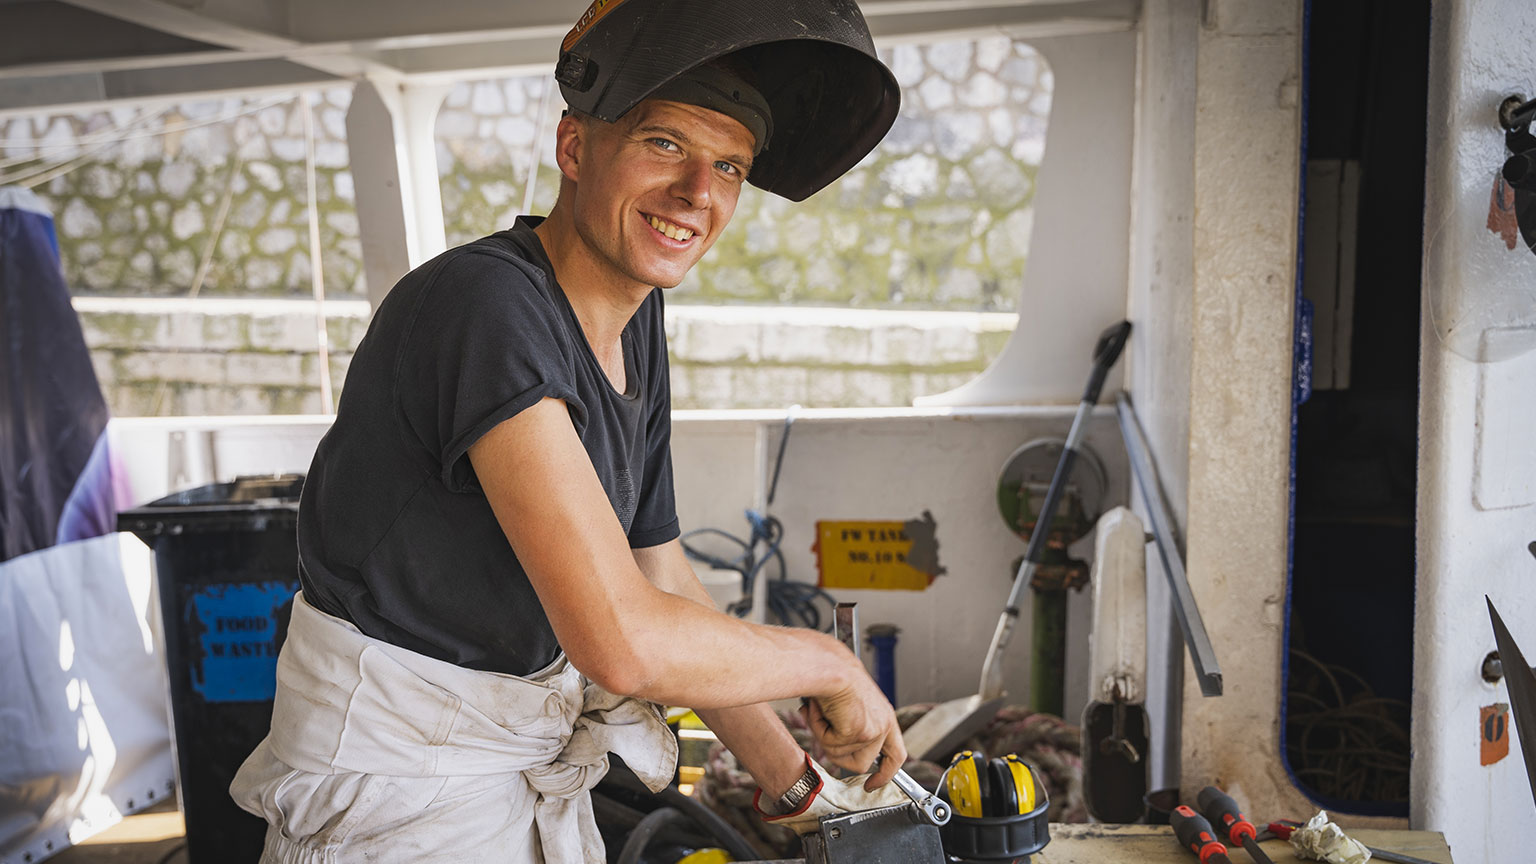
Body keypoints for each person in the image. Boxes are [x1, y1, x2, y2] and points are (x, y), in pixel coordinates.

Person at [230, 0, 906, 860]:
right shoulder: (485, 307)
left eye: (729, 167)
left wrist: (800, 785)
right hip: (399, 797)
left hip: (505, 767)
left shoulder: (634, 321)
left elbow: (657, 579)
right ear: (576, 148)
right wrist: (828, 663)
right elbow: (620, 642)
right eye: (665, 144)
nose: (698, 195)